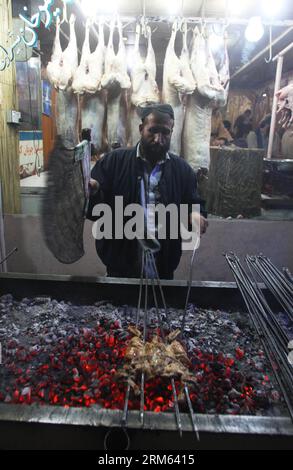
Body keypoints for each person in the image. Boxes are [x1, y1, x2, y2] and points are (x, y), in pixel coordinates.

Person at [87, 104, 208, 279]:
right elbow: (94, 211)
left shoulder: (182, 170)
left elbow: (194, 204)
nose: (159, 139)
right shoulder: (114, 162)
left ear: (172, 131)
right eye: (152, 131)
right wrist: (94, 192)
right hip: (120, 267)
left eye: (165, 132)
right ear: (141, 128)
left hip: (163, 267)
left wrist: (194, 216)